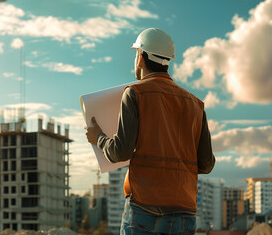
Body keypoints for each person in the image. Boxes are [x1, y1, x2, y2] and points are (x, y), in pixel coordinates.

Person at [85, 28, 215, 235]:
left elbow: (121, 152)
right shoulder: (196, 105)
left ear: (140, 58)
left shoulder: (135, 93)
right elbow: (207, 164)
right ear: (167, 61)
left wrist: (98, 138)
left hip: (144, 207)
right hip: (184, 210)